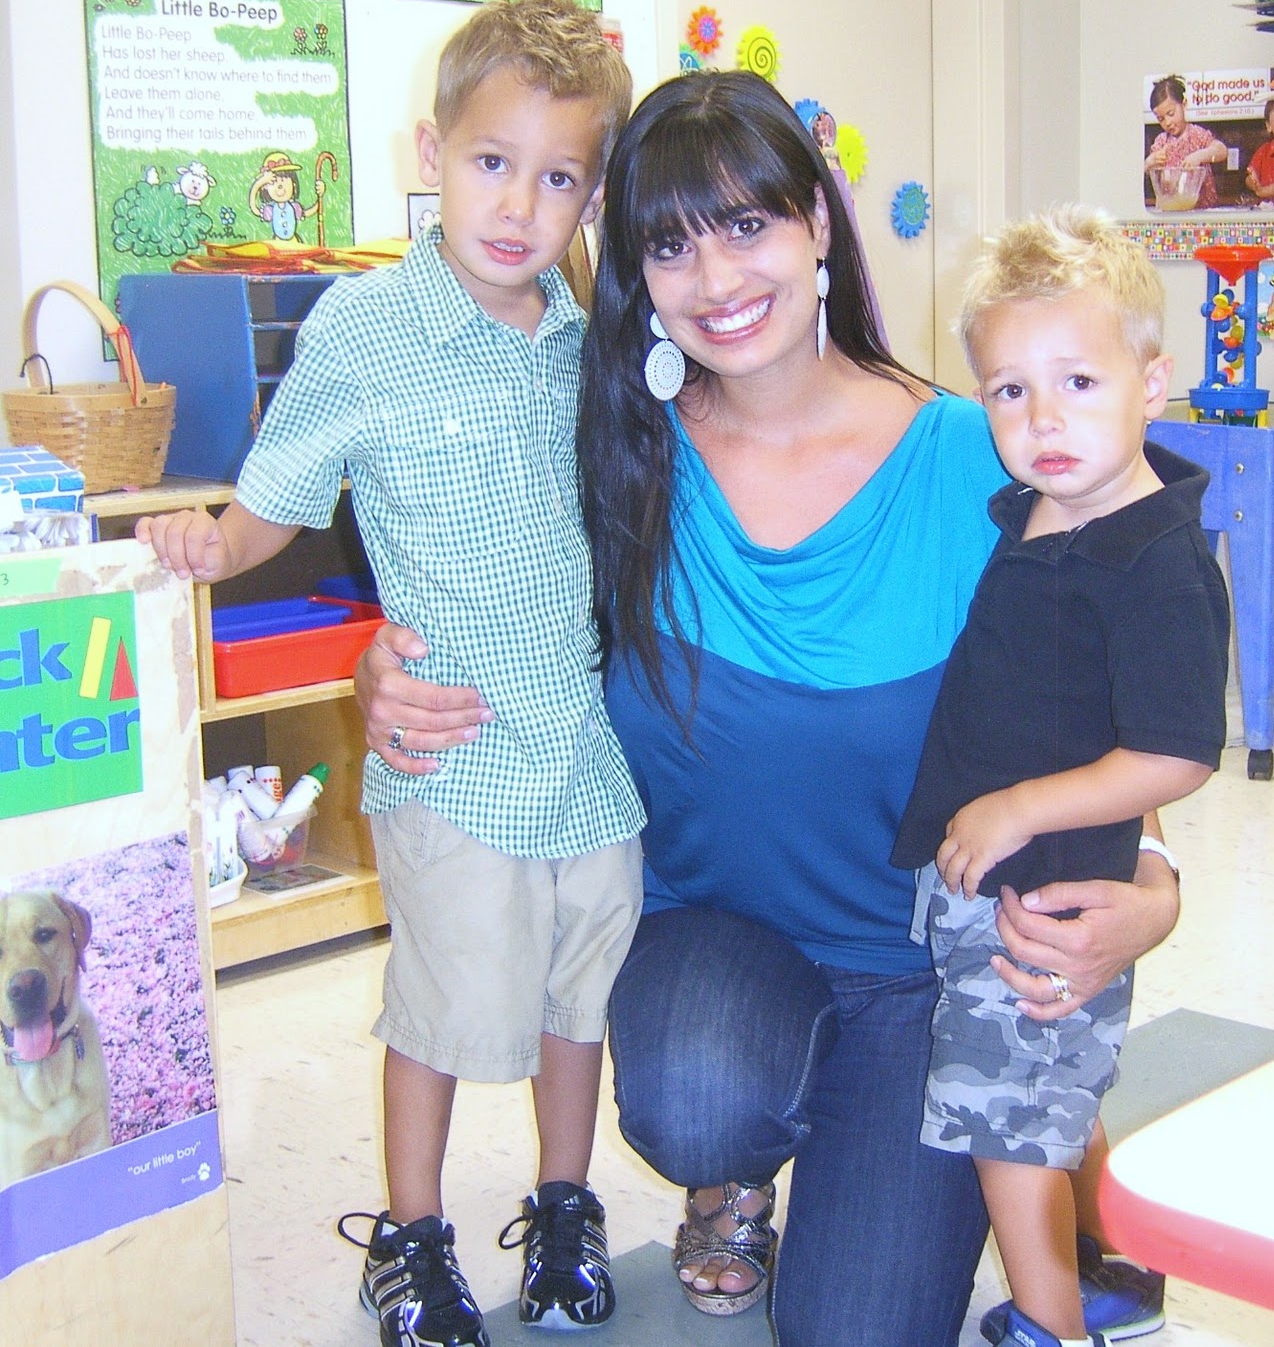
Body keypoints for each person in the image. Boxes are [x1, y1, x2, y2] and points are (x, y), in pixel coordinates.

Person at [354, 69, 1184, 1347]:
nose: (715, 277)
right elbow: (467, 575)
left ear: (815, 222)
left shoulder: (980, 458)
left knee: (854, 1331)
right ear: (635, 275)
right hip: (709, 937)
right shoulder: (614, 454)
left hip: (920, 970)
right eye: (669, 244)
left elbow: (1113, 700)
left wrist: (1155, 889)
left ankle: (1029, 1163)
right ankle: (731, 1177)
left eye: (746, 223)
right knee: (698, 1095)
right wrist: (388, 665)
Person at [136, 0, 642, 1345]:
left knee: (577, 1000)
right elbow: (280, 496)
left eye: (558, 179)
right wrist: (208, 544)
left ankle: (563, 1206)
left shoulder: (583, 338)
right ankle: (410, 1238)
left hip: (584, 751)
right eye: (492, 162)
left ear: (591, 197)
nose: (518, 206)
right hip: (452, 750)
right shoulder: (364, 329)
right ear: (432, 152)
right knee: (440, 1006)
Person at [889, 206, 1230, 1347]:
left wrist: (1019, 807)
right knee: (1051, 1090)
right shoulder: (1038, 513)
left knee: (1008, 1124)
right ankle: (1106, 1275)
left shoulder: (1155, 560)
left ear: (1152, 383)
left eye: (1079, 382)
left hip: (1047, 892)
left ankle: (1048, 1322)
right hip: (998, 877)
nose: (1043, 419)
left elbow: (1177, 750)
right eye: (1009, 390)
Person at [1142, 74, 1227, 211]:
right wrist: (1149, 162)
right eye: (1161, 119)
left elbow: (1222, 151)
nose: (1167, 122)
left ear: (1184, 105)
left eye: (1171, 114)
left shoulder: (1197, 135)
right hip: (1171, 213)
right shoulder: (1161, 142)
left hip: (1201, 213)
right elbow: (1151, 174)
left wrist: (1200, 156)